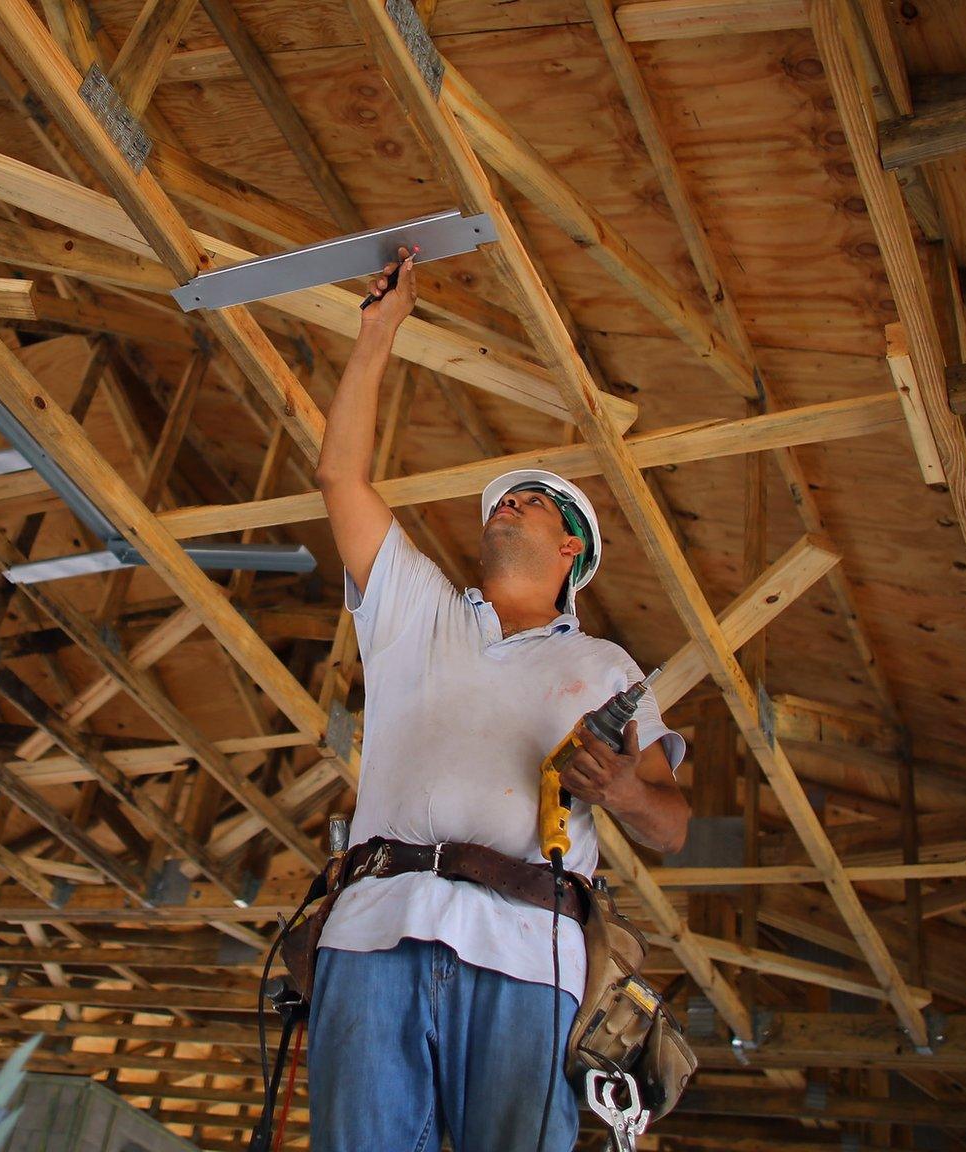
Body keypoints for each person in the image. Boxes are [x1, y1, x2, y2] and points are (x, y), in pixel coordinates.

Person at [303, 250, 691, 1151]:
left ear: (572, 554)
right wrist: (378, 330)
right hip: (373, 931)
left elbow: (671, 827)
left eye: (529, 503)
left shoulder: (608, 666)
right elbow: (340, 480)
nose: (504, 506)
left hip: (527, 950)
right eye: (501, 499)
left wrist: (626, 792)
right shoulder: (419, 611)